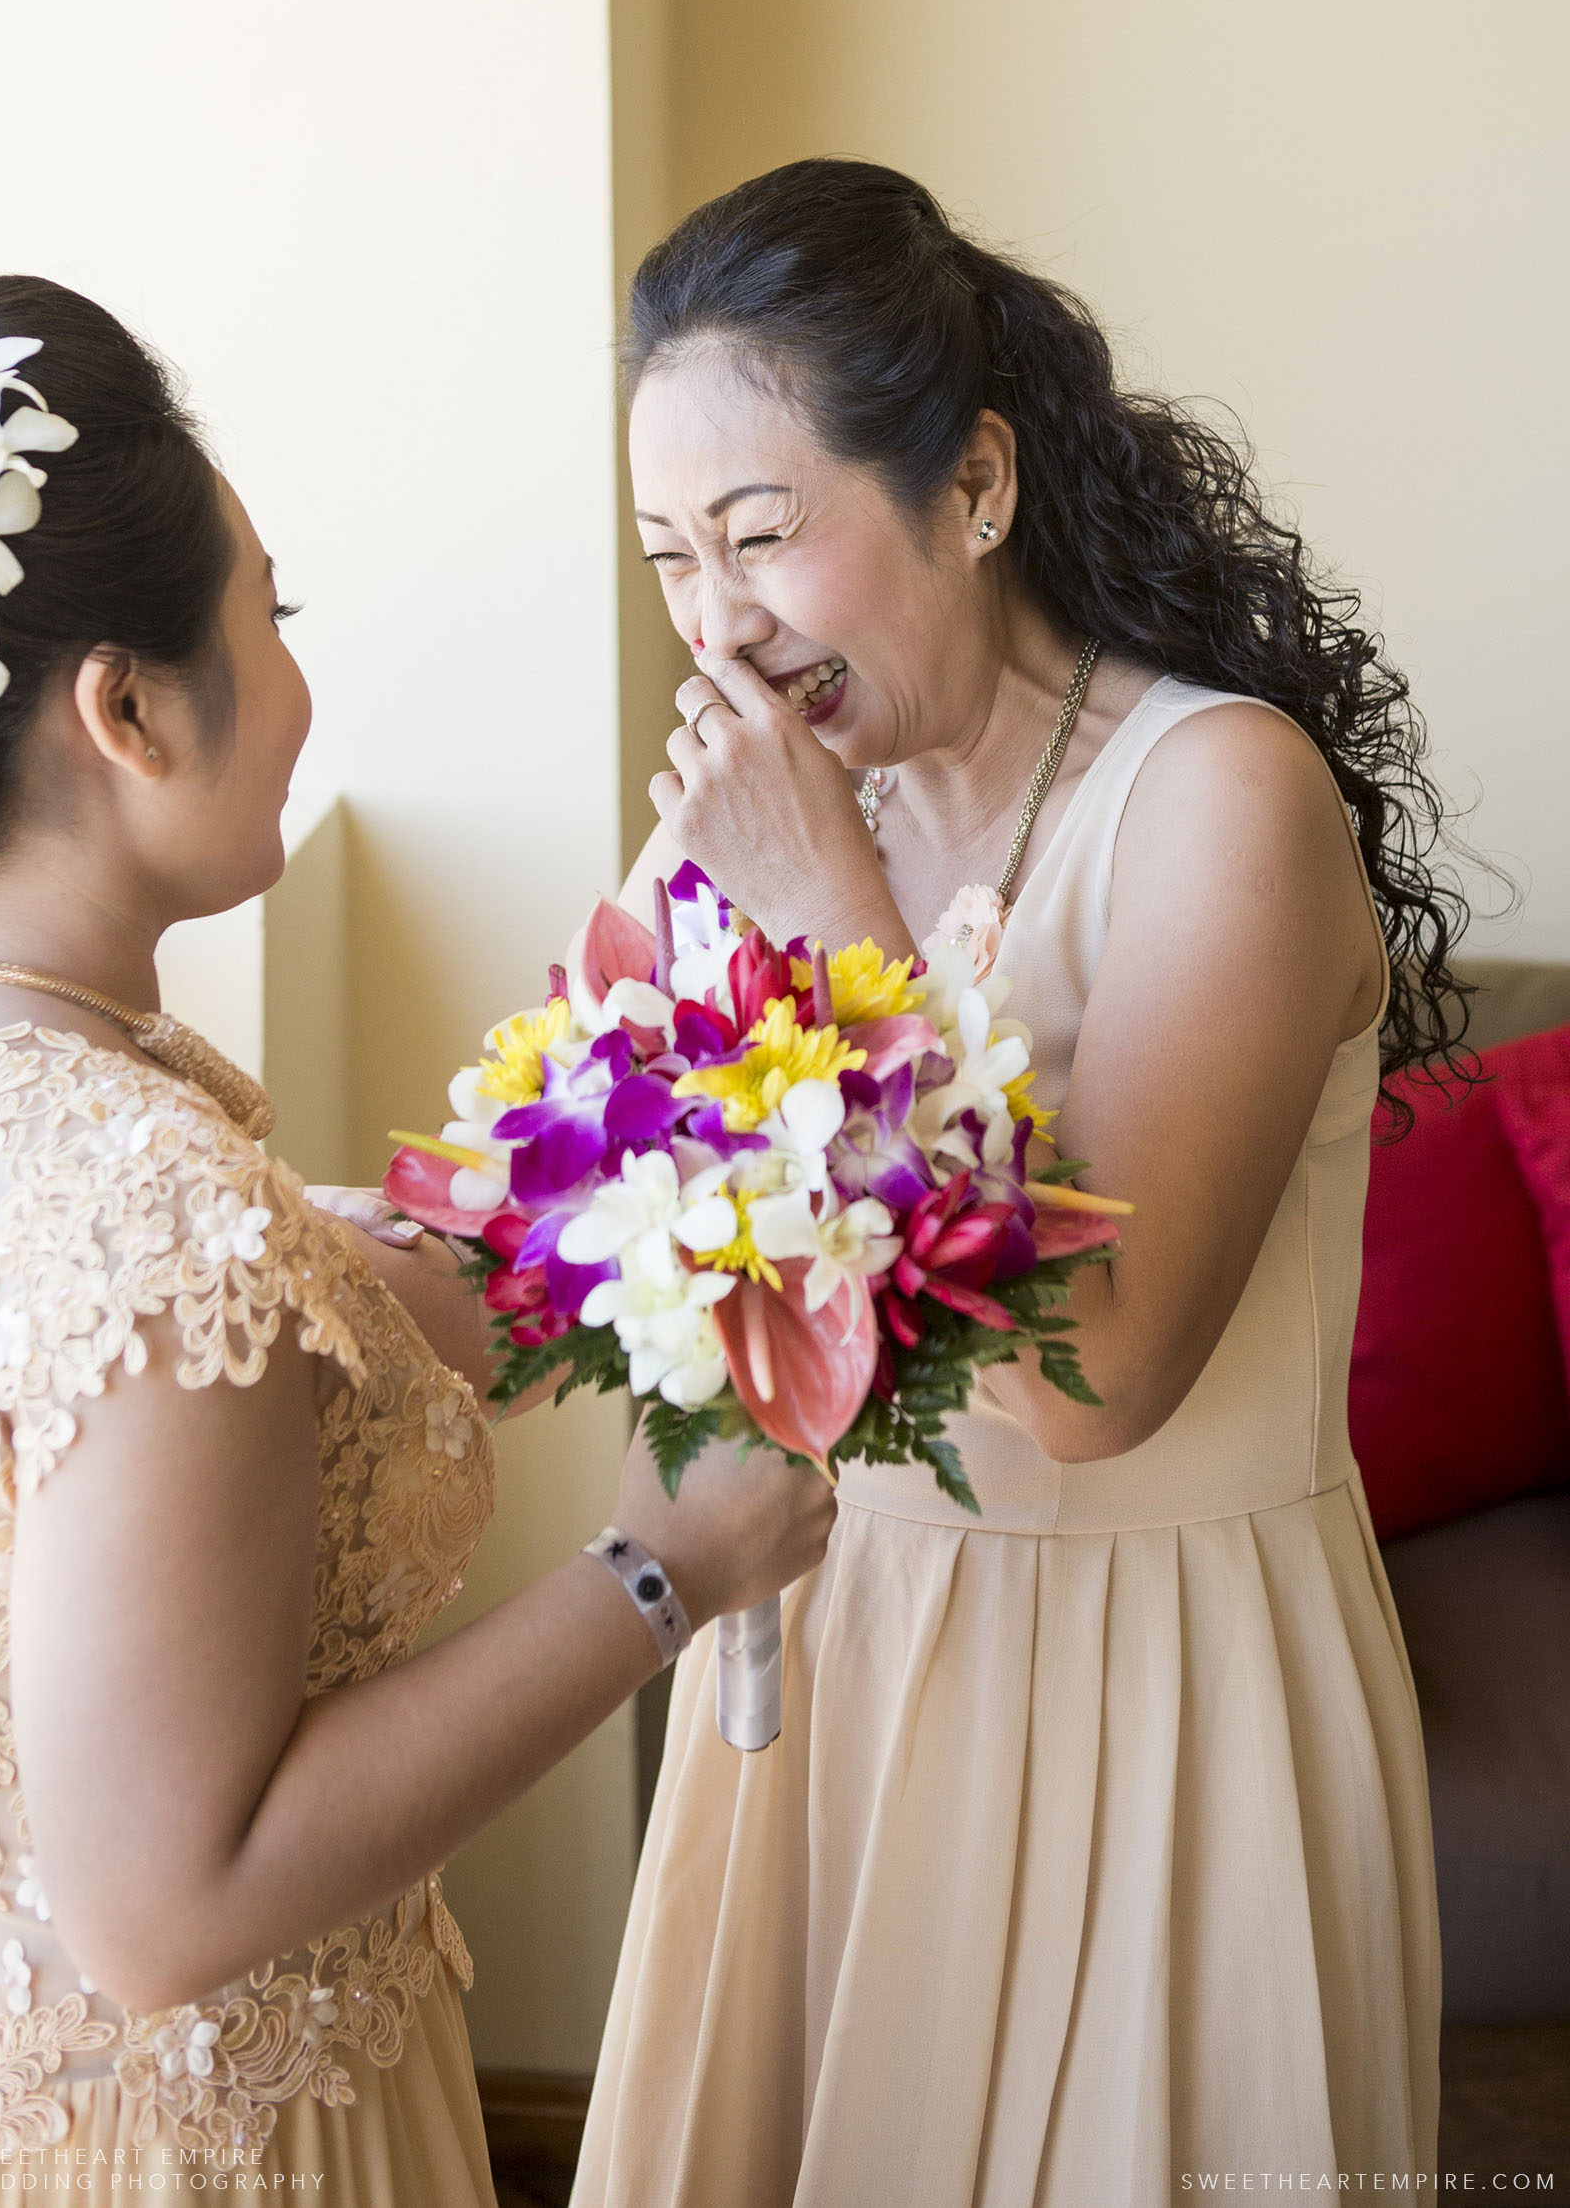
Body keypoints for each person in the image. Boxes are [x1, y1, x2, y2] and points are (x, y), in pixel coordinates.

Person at [0, 278, 835, 2201]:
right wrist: (664, 1568)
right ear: (126, 705)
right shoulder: (150, 1225)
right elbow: (171, 1908)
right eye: (277, 614)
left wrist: (709, 948)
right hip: (199, 2149)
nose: (299, 677)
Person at [571, 162, 1457, 2205]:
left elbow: (1100, 1375)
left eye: (763, 536)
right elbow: (575, 1201)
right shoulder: (777, 801)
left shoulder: (1222, 798)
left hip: (1163, 1685)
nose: (715, 618)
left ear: (973, 486)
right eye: (669, 557)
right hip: (828, 1655)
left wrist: (834, 915)